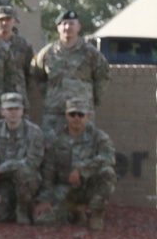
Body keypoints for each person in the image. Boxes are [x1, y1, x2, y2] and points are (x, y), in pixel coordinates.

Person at [33, 98, 116, 231]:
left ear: (88, 116)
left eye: (81, 114)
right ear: (66, 115)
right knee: (42, 220)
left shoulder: (98, 137)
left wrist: (81, 170)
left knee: (108, 172)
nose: (76, 118)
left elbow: (109, 157)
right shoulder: (55, 137)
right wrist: (45, 199)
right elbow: (48, 168)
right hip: (65, 188)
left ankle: (96, 214)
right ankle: (74, 210)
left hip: (89, 187)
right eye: (72, 114)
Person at [31, 9, 111, 132]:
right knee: (51, 147)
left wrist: (91, 98)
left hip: (82, 112)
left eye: (72, 24)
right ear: (58, 28)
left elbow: (103, 76)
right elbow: (37, 75)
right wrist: (50, 94)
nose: (68, 27)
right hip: (54, 112)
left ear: (78, 27)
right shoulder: (47, 53)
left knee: (84, 146)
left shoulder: (90, 53)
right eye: (64, 24)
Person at [0, 92, 45, 225]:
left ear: (22, 111)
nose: (13, 113)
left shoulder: (34, 132)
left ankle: (22, 209)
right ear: (2, 111)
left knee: (24, 172)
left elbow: (32, 163)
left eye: (17, 109)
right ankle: (9, 208)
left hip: (26, 183)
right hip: (2, 183)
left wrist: (5, 167)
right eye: (9, 109)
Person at [0, 5, 34, 95]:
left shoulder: (24, 45)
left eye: (8, 19)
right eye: (1, 20)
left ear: (14, 21)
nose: (4, 23)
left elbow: (30, 74)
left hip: (17, 96)